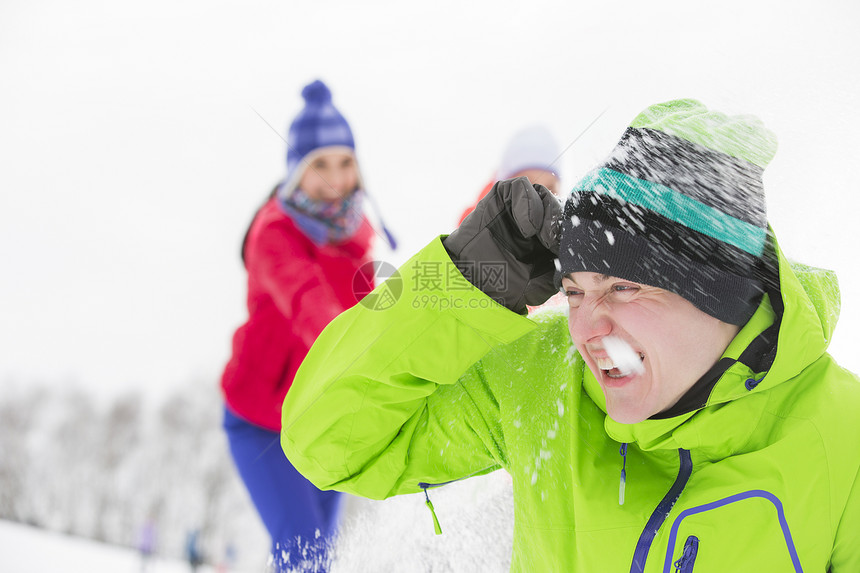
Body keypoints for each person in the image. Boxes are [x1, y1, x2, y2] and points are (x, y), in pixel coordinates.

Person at [281, 99, 860, 571]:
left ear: (720, 296)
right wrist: (458, 281)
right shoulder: (542, 382)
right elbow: (328, 444)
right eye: (575, 290)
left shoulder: (842, 439)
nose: (583, 328)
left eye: (624, 288)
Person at [220, 79, 380, 572]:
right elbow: (311, 304)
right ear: (297, 171)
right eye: (319, 165)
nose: (335, 178)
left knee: (316, 558)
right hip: (261, 423)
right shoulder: (274, 233)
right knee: (304, 553)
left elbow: (376, 320)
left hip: (318, 423)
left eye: (345, 162)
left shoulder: (357, 239)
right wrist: (361, 351)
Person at [457, 124, 561, 225]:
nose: (540, 197)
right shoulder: (469, 233)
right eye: (527, 186)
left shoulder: (564, 235)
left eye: (550, 188)